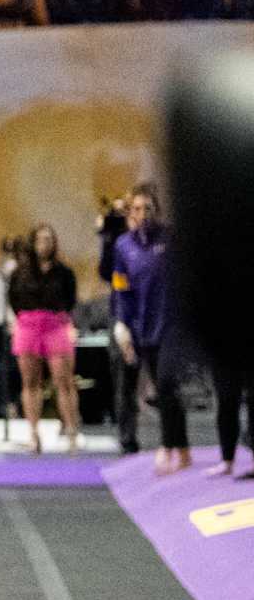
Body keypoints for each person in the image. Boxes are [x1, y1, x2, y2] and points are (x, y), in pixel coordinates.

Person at [111, 184, 190, 473]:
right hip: (141, 325)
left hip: (170, 324)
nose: (142, 214)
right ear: (130, 212)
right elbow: (122, 287)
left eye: (148, 208)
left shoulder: (170, 238)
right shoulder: (123, 246)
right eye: (137, 209)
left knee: (166, 385)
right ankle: (182, 447)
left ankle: (167, 446)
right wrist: (122, 324)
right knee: (160, 387)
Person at [8, 225, 81, 454]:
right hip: (28, 325)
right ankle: (34, 433)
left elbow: (70, 300)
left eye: (49, 239)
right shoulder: (20, 273)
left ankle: (71, 430)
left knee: (64, 380)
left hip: (55, 325)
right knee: (31, 382)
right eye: (40, 239)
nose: (45, 243)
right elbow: (14, 299)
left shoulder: (64, 272)